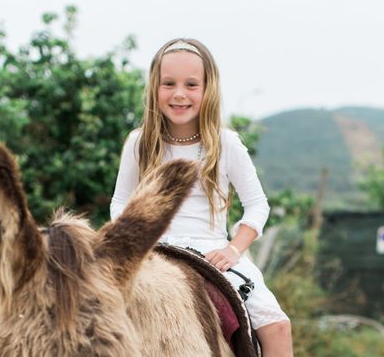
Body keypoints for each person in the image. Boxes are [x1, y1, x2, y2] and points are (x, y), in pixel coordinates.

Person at [111, 38, 293, 356]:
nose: (179, 94)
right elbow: (119, 203)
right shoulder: (139, 143)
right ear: (155, 88)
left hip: (213, 252)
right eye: (169, 83)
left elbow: (257, 205)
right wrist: (131, 241)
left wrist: (234, 249)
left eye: (191, 84)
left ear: (208, 89)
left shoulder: (225, 144)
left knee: (277, 326)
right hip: (153, 250)